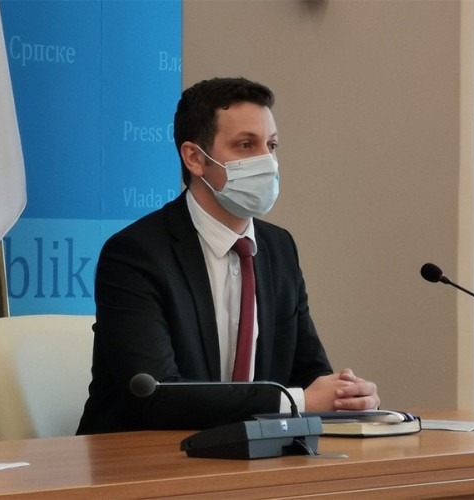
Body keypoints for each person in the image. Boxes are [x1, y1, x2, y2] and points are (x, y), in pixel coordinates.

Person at [77, 77, 379, 434]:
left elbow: (308, 372)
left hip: (251, 452)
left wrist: (345, 395)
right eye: (246, 145)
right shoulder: (136, 254)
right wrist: (297, 401)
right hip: (140, 455)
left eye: (271, 145)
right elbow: (154, 395)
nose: (267, 161)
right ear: (195, 158)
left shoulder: (279, 248)